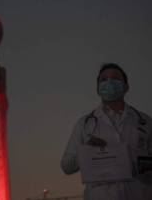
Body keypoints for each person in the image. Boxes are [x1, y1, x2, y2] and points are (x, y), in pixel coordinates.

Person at [61, 63, 152, 200]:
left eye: (115, 78)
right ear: (98, 89)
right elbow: (66, 166)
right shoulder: (85, 124)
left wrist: (138, 166)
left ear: (126, 87)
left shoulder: (145, 121)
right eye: (103, 80)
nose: (109, 82)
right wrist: (86, 150)